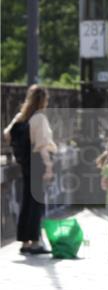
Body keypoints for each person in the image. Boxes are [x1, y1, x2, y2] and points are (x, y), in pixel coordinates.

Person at [3, 85, 57, 254]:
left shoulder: (21, 117)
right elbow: (41, 146)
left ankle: (25, 242)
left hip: (26, 164)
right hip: (38, 162)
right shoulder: (39, 118)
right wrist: (48, 167)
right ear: (43, 100)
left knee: (27, 202)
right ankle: (35, 243)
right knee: (36, 204)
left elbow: (7, 134)